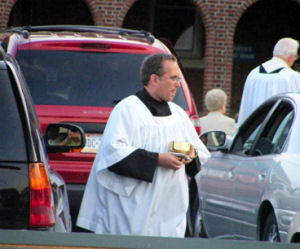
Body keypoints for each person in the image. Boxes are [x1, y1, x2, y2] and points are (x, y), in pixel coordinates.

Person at [76, 53, 210, 237]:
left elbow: (199, 154)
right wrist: (158, 159)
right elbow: (113, 153)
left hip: (169, 211)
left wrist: (190, 155)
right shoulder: (128, 109)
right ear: (154, 79)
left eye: (179, 78)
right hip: (132, 210)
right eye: (173, 78)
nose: (178, 84)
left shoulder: (178, 115)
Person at [237, 37, 300, 126]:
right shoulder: (291, 77)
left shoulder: (253, 74)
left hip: (250, 131)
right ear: (291, 57)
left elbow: (245, 107)